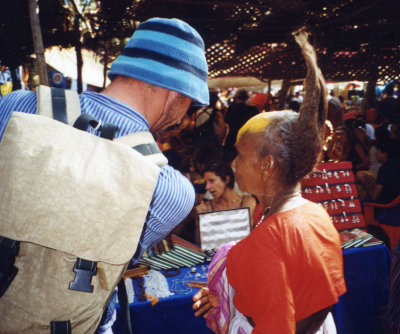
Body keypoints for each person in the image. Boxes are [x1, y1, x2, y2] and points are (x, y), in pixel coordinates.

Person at [0, 17, 209, 333]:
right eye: (191, 101)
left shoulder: (17, 106)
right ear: (175, 93)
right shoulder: (169, 189)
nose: (184, 114)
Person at [192, 30, 346, 334]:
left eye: (239, 155)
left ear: (266, 166)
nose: (233, 164)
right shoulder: (315, 214)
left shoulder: (266, 240)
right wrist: (227, 297)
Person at [195, 161, 257, 246]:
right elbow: (202, 243)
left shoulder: (247, 202)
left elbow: (247, 236)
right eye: (206, 182)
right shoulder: (208, 207)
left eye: (212, 181)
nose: (207, 187)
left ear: (227, 179)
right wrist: (199, 220)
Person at [223, 89, 259, 163]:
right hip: (247, 139)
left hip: (232, 138)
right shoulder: (253, 109)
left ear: (236, 98)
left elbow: (226, 123)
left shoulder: (231, 108)